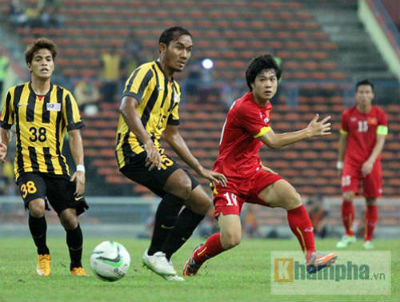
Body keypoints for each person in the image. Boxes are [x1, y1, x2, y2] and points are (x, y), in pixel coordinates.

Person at [183, 54, 337, 277]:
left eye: (272, 79)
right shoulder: (246, 108)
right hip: (227, 179)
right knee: (232, 239)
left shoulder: (265, 105)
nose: (268, 84)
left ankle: (311, 257)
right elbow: (273, 142)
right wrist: (307, 132)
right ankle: (197, 256)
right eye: (263, 79)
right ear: (252, 83)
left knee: (292, 197)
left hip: (253, 172)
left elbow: (244, 143)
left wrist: (259, 164)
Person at [115, 26, 227, 281]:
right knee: (180, 184)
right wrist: (147, 143)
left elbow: (172, 134)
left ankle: (162, 256)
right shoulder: (145, 72)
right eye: (180, 47)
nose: (185, 54)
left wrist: (200, 168)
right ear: (162, 48)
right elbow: (126, 105)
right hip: (132, 149)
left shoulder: (174, 89)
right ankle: (154, 253)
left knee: (201, 202)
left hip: (152, 150)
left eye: (189, 50)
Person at [0, 38, 88, 277]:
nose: (44, 63)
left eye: (48, 59)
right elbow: (5, 126)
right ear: (29, 65)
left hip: (58, 167)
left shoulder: (64, 97)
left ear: (54, 65)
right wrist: (3, 144)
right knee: (37, 207)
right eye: (38, 59)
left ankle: (76, 265)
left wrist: (80, 167)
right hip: (27, 165)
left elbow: (74, 134)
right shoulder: (14, 95)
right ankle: (43, 254)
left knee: (70, 219)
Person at [336, 79, 387, 249]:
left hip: (372, 163)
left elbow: (381, 141)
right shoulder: (347, 115)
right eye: (361, 92)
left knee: (371, 200)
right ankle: (349, 234)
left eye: (367, 92)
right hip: (352, 161)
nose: (364, 95)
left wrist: (371, 161)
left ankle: (367, 239)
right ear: (356, 95)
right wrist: (340, 163)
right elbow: (343, 140)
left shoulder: (380, 115)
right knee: (347, 196)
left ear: (372, 95)